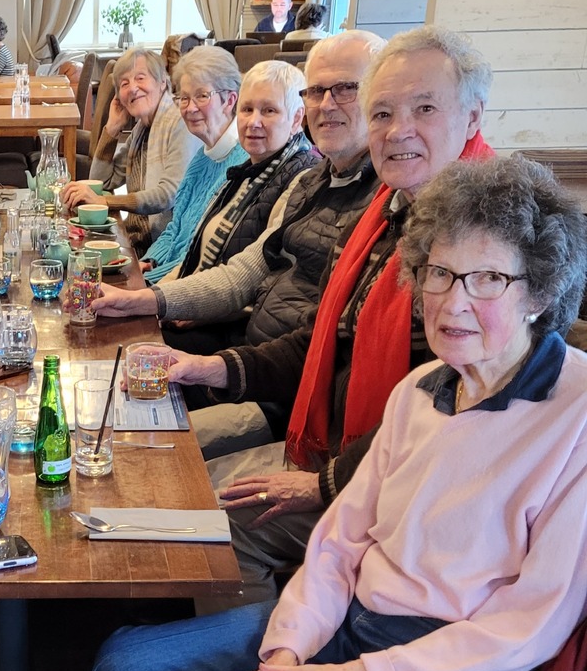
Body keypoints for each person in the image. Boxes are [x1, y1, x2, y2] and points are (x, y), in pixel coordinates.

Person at [61, 153, 587, 671]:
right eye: (439, 272)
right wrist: (288, 652)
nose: (453, 301)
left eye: (488, 278)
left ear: (540, 290)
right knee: (125, 666)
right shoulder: (421, 389)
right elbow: (340, 541)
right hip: (354, 617)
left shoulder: (575, 416)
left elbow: (531, 623)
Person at [163, 25, 495, 610]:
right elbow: (325, 339)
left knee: (209, 514)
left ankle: (278, 654)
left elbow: (461, 417)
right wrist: (213, 368)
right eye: (383, 112)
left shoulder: (484, 243)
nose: (397, 130)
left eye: (424, 109)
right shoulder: (389, 212)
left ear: (472, 117)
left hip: (412, 496)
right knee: (173, 478)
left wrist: (326, 482)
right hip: (332, 441)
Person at [94, 31, 385, 459]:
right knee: (108, 378)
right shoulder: (311, 182)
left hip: (274, 389)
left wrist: (210, 358)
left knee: (134, 442)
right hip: (248, 358)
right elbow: (242, 274)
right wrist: (146, 299)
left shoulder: (367, 197)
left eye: (345, 89)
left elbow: (318, 341)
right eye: (318, 91)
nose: (327, 104)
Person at [113, 59, 317, 357]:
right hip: (198, 304)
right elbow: (188, 244)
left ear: (297, 118)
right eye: (248, 110)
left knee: (121, 344)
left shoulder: (297, 177)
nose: (254, 121)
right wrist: (152, 290)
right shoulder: (248, 170)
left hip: (236, 334)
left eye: (269, 111)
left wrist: (160, 298)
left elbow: (254, 280)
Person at [60, 47, 198, 256]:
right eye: (124, 84)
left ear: (162, 82)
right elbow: (103, 182)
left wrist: (105, 201)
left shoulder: (179, 122)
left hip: (163, 251)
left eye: (140, 78)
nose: (133, 88)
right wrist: (112, 129)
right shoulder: (141, 129)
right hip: (135, 241)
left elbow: (168, 195)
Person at [136, 46, 248, 284]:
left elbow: (200, 255)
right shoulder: (202, 157)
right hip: (164, 278)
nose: (190, 108)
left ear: (230, 100)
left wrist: (147, 283)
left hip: (189, 288)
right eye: (184, 98)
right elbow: (176, 227)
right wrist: (148, 261)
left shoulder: (242, 164)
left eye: (202, 96)